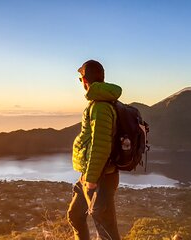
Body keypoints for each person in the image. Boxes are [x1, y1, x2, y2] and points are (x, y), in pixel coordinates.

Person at [67, 60, 122, 240]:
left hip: (100, 178)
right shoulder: (99, 103)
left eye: (80, 79)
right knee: (75, 215)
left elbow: (101, 145)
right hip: (89, 174)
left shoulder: (100, 106)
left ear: (84, 80)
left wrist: (91, 180)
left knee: (106, 232)